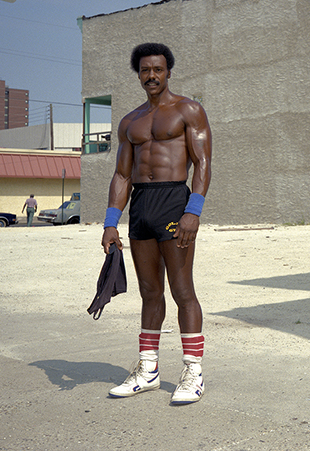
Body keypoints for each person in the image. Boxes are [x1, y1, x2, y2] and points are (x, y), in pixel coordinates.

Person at [101, 42, 212, 405]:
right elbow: (121, 175)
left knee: (182, 290)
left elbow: (203, 162)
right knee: (149, 291)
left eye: (158, 70)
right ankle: (148, 370)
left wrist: (193, 211)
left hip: (173, 202)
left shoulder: (188, 109)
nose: (152, 76)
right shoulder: (130, 121)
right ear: (138, 74)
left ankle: (193, 373)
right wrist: (110, 222)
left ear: (168, 72)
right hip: (141, 206)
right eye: (145, 70)